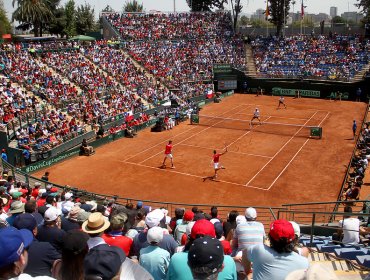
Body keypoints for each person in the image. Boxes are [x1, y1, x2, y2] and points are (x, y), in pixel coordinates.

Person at [242, 219, 309, 280]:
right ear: (294, 239)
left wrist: (248, 271)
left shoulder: (258, 250)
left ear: (270, 238)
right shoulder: (304, 263)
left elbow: (245, 252)